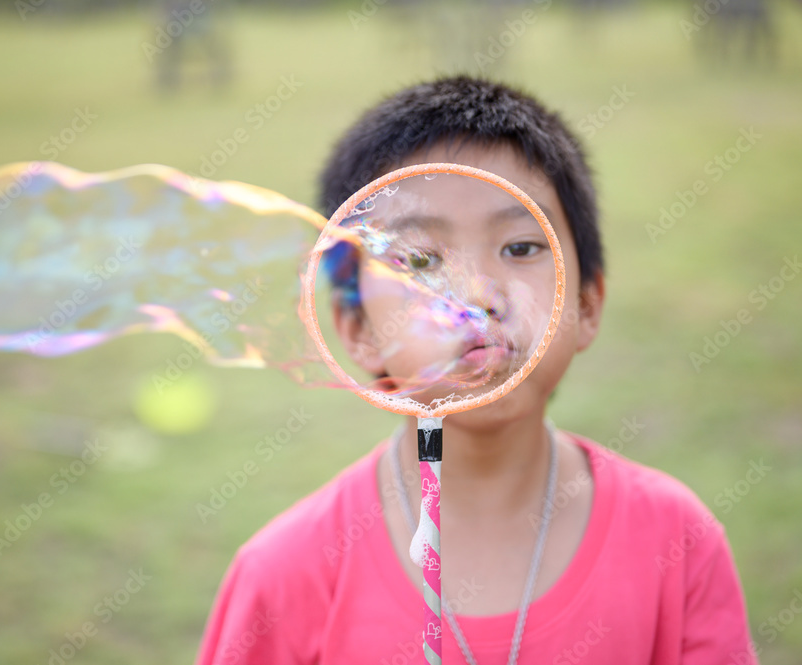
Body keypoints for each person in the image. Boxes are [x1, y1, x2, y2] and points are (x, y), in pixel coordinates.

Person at [194, 76, 757, 664]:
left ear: (586, 302)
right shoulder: (284, 573)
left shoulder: (676, 541)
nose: (477, 297)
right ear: (358, 329)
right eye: (418, 261)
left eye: (519, 248)